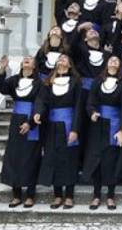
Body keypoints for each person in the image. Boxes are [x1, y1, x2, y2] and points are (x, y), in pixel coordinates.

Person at [33, 54, 83, 209]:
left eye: (65, 59)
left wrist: (75, 129)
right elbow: (42, 101)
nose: (61, 60)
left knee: (68, 160)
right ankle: (57, 195)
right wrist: (38, 112)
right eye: (59, 58)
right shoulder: (48, 82)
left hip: (68, 124)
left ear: (69, 65)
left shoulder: (75, 82)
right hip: (52, 126)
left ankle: (69, 195)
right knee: (53, 159)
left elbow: (79, 107)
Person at [81, 55, 122, 210]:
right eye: (111, 60)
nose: (114, 62)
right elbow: (90, 101)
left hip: (114, 124)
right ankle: (96, 194)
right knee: (96, 158)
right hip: (98, 124)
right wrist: (92, 112)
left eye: (117, 60)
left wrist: (121, 129)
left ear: (120, 65)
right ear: (107, 64)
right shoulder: (97, 81)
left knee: (111, 160)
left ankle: (110, 195)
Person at [0, 55, 42, 208]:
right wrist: (2, 70)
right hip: (16, 120)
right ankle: (16, 194)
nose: (27, 59)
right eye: (25, 59)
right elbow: (0, 87)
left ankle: (30, 194)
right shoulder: (14, 80)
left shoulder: (39, 83)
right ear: (22, 64)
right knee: (15, 155)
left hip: (32, 120)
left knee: (31, 157)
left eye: (30, 59)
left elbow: (41, 103)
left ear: (34, 66)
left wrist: (31, 123)